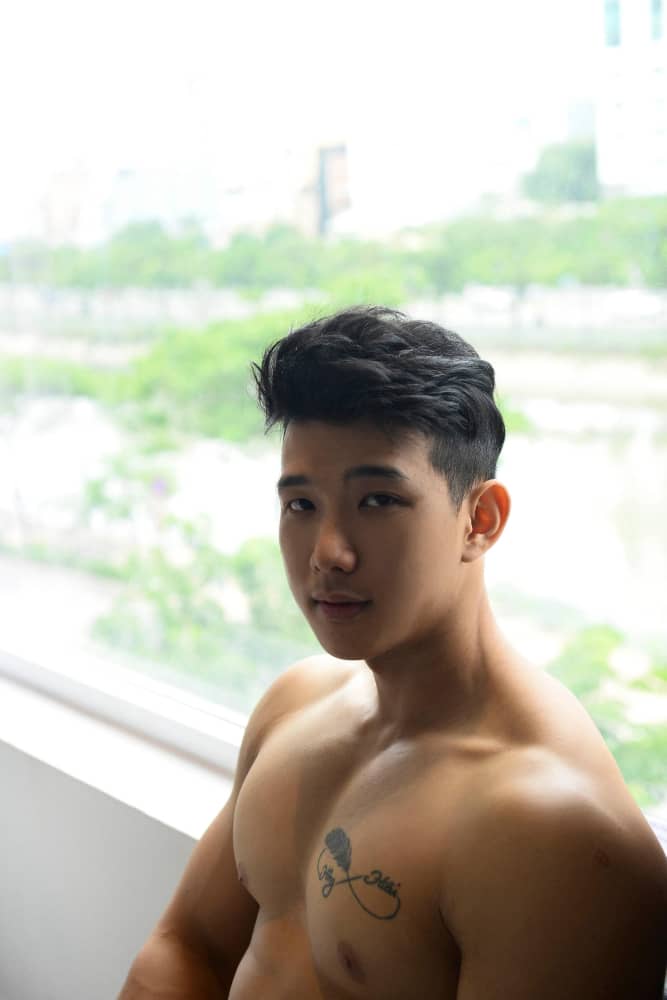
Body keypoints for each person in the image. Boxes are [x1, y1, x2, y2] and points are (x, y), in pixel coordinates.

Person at [119, 306, 667, 998]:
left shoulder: (554, 834)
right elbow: (187, 947)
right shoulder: (296, 705)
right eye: (301, 505)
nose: (328, 553)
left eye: (376, 501)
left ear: (480, 520)